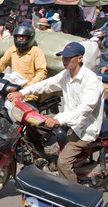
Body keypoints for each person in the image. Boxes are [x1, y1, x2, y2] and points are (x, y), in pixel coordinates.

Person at [8, 42, 104, 183]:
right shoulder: (66, 74)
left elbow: (84, 110)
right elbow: (45, 84)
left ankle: (72, 195)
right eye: (63, 57)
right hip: (67, 119)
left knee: (63, 164)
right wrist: (22, 93)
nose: (64, 61)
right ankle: (41, 158)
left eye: (68, 58)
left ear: (79, 58)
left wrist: (59, 120)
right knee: (33, 124)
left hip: (84, 128)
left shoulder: (91, 81)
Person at [0, 24, 47, 104]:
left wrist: (30, 85)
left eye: (23, 37)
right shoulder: (13, 49)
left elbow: (41, 72)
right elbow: (2, 63)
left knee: (24, 114)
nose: (20, 38)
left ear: (30, 38)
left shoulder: (36, 51)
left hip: (28, 92)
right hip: (13, 87)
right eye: (18, 37)